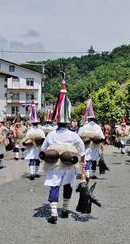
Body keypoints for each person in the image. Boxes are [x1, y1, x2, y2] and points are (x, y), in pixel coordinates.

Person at [40, 80, 86, 224]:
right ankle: (65, 210)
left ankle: (54, 214)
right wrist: (83, 169)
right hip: (68, 165)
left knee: (54, 187)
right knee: (67, 186)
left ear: (57, 122)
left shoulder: (51, 134)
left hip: (53, 165)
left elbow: (43, 150)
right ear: (68, 122)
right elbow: (82, 151)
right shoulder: (73, 135)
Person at [78, 95, 104, 179]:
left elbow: (79, 136)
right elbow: (102, 138)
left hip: (87, 145)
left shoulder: (84, 127)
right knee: (94, 159)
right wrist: (101, 145)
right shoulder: (97, 127)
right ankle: (93, 174)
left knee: (88, 159)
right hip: (95, 145)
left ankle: (88, 174)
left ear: (88, 119)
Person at [23, 100, 45, 180]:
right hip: (38, 147)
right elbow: (43, 139)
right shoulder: (41, 130)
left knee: (32, 159)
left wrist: (27, 143)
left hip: (32, 147)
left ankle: (32, 173)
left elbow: (26, 139)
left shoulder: (30, 130)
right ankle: (35, 173)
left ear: (32, 123)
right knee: (37, 159)